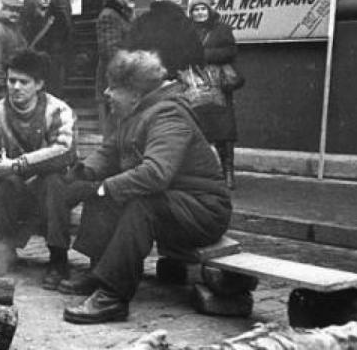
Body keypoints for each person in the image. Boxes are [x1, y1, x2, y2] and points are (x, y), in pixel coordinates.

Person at [61, 50, 231, 324]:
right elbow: (109, 152)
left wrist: (101, 187)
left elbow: (156, 174)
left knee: (140, 203)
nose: (106, 92)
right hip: (177, 205)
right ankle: (100, 271)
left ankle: (113, 297)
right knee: (105, 189)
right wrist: (81, 175)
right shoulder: (135, 114)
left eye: (113, 88)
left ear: (135, 93)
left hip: (204, 211)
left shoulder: (168, 115)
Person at [0, 49, 77, 288]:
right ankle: (4, 252)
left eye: (23, 82)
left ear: (39, 84)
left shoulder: (58, 111)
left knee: (54, 181)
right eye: (11, 80)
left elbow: (64, 151)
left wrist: (16, 164)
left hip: (51, 193)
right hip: (16, 193)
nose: (15, 87)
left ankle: (58, 259)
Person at [189, 0, 239, 189]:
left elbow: (230, 52)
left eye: (203, 9)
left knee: (224, 131)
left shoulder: (222, 29)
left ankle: (228, 173)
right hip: (196, 86)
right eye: (196, 10)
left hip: (218, 85)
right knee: (199, 129)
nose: (200, 13)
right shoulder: (187, 32)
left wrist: (204, 56)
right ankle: (205, 172)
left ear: (209, 10)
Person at [127, 0, 204, 77]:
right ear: (178, 1)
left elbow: (130, 47)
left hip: (147, 79)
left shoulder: (142, 20)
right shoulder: (186, 23)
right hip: (177, 80)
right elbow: (197, 55)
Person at [95, 0, 137, 131]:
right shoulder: (109, 15)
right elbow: (110, 51)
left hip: (124, 77)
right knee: (113, 128)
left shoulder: (125, 13)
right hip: (113, 80)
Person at [21, 0, 70, 95]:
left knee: (53, 88)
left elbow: (64, 35)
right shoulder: (27, 15)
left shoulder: (58, 15)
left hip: (52, 57)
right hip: (33, 56)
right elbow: (24, 35)